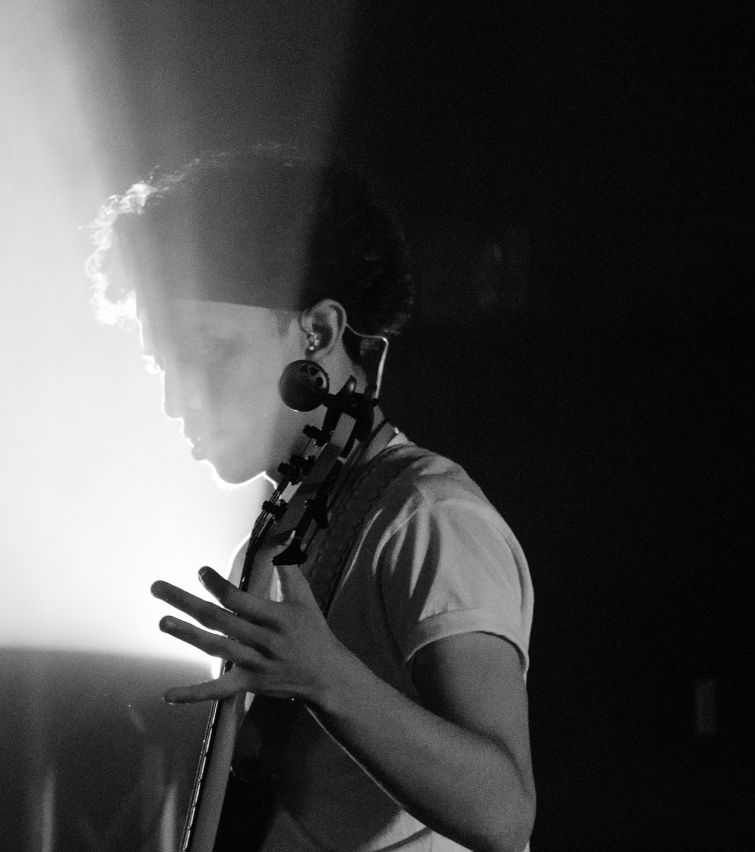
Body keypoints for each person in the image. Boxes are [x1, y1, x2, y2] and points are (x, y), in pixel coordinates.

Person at [87, 147, 535, 852]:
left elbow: (503, 813)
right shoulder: (274, 542)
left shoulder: (427, 517)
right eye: (162, 365)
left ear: (317, 332)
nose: (177, 400)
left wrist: (326, 679)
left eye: (206, 352)